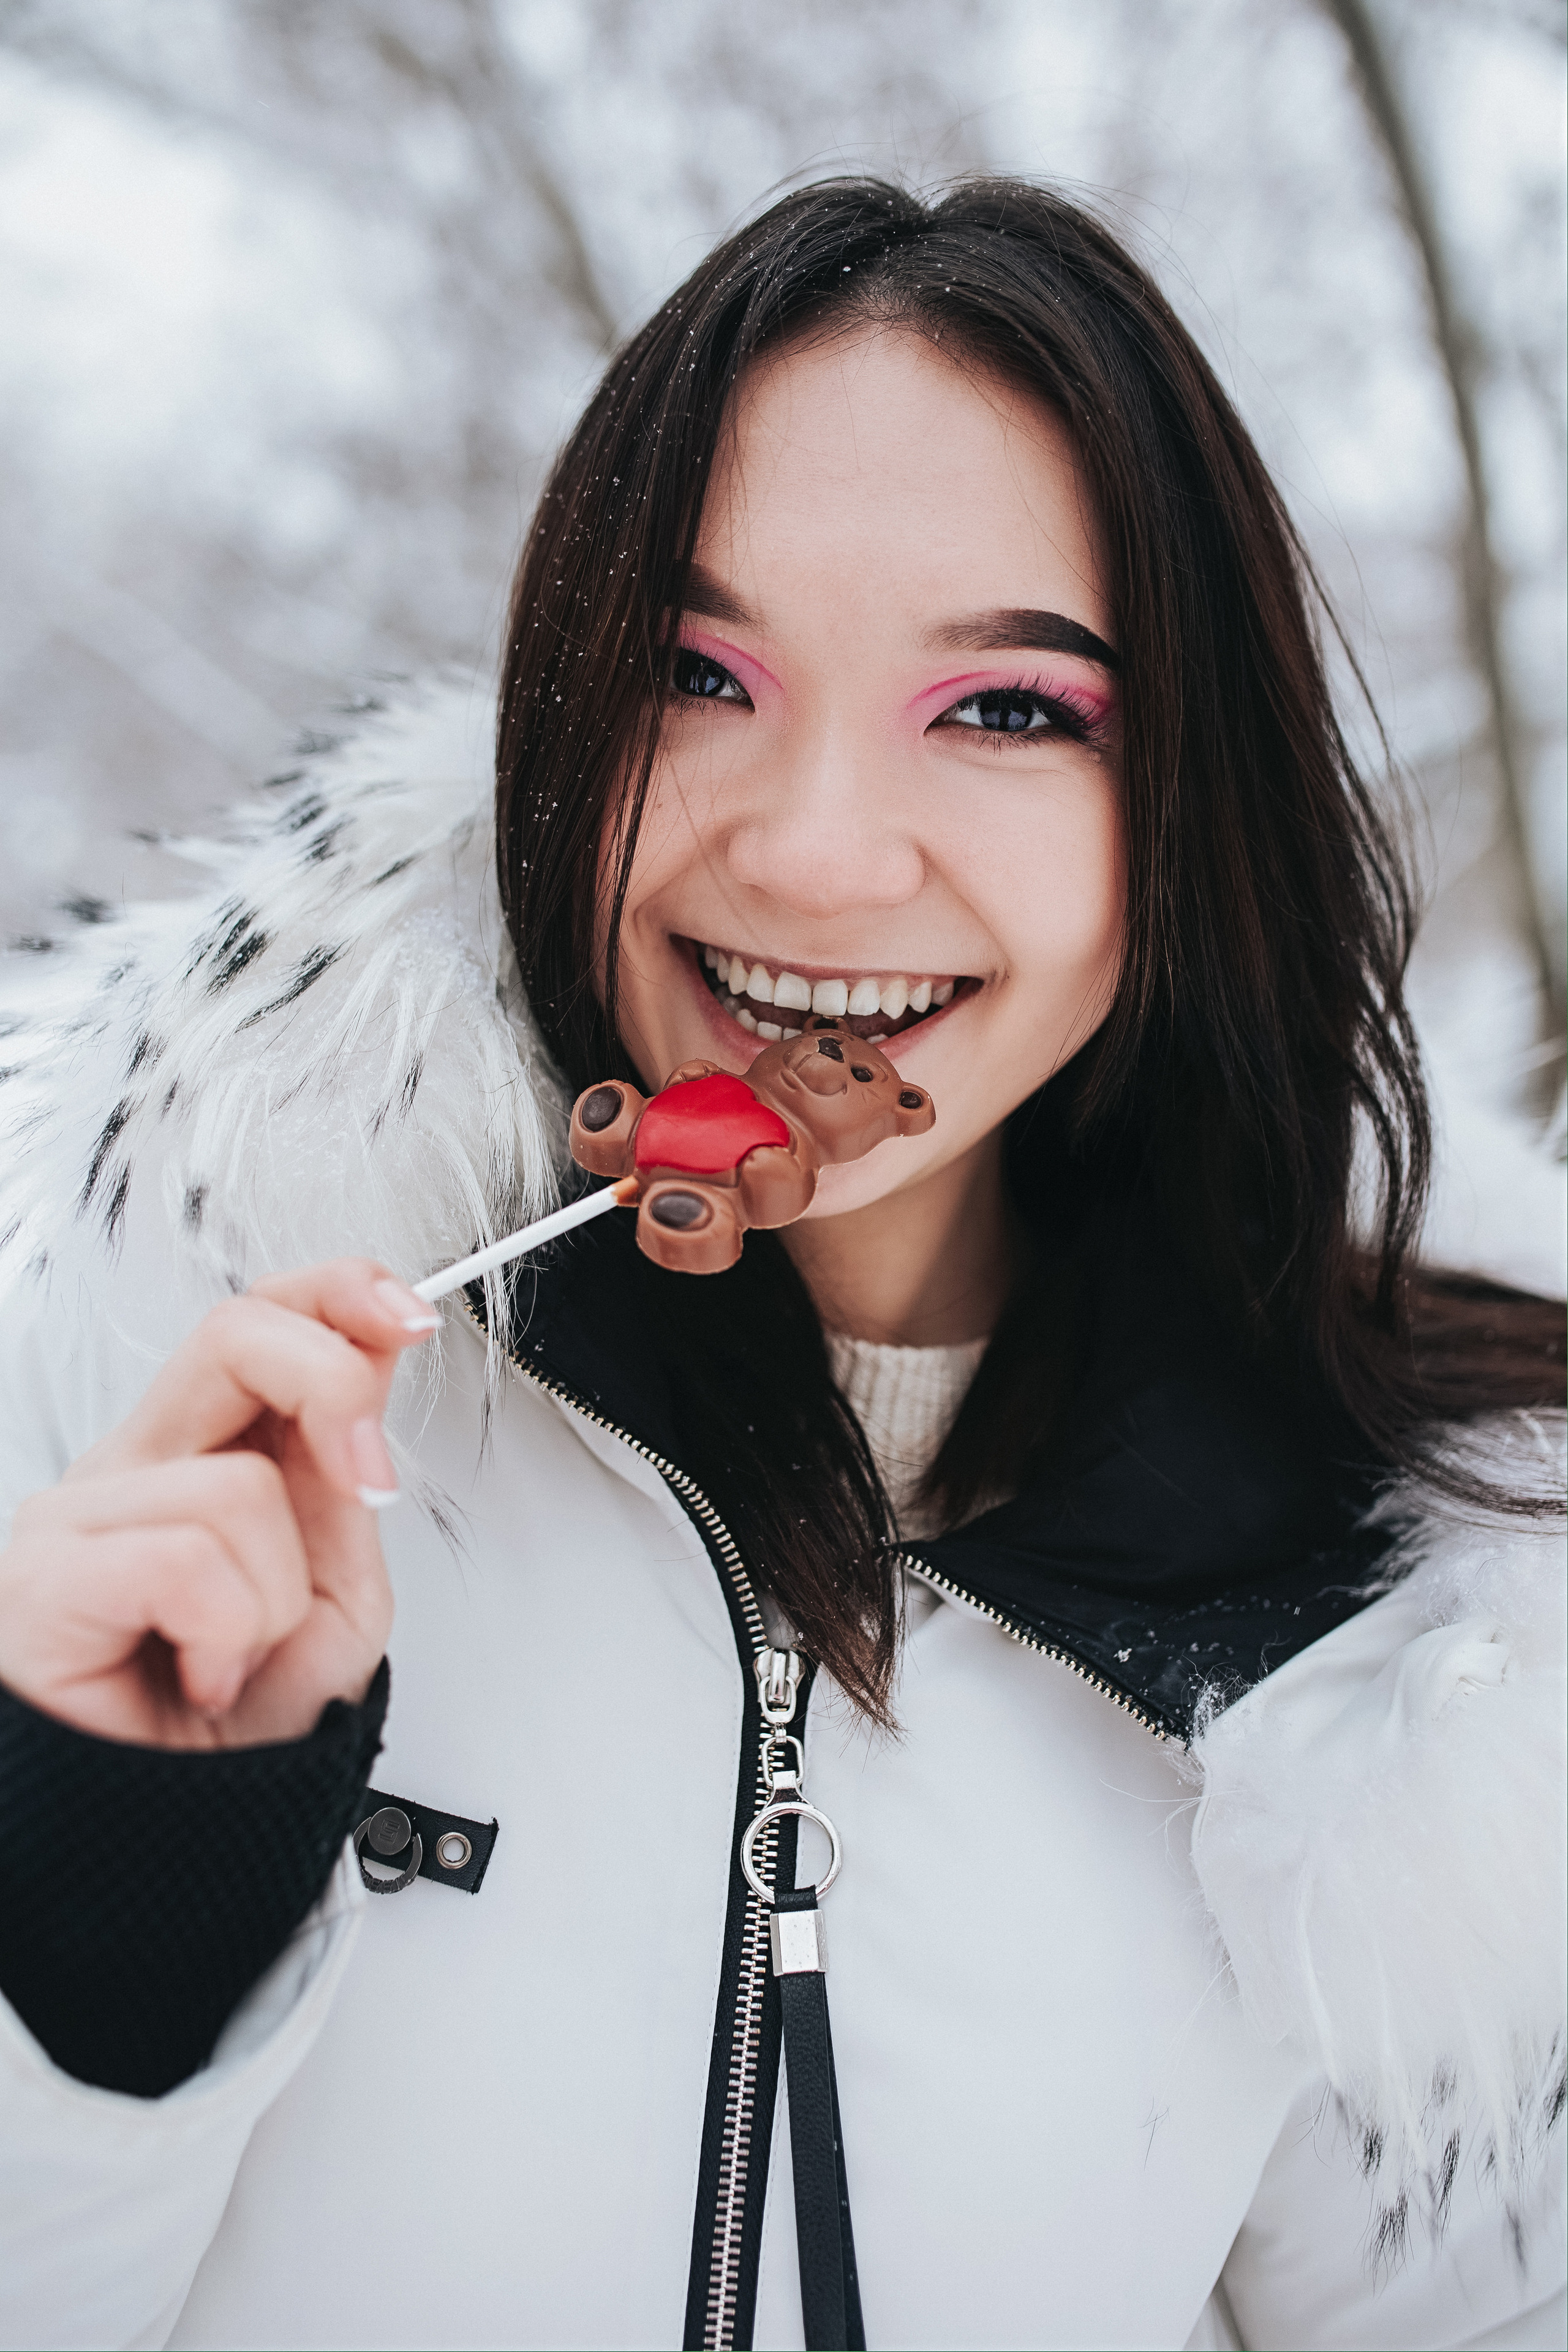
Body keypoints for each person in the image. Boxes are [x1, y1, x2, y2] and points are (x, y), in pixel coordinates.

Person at [0, 177, 1562, 2352]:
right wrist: (119, 1891)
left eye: (1010, 709)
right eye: (694, 674)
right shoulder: (162, 1345)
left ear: (1184, 808)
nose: (814, 850)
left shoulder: (1420, 1637)